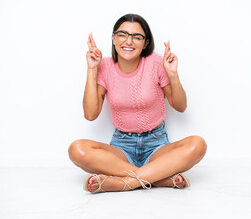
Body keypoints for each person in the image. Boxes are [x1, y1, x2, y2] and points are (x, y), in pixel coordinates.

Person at [68, 13, 207, 193]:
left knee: (198, 145)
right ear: (114, 38)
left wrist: (172, 74)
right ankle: (158, 178)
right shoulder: (105, 66)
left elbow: (180, 106)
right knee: (77, 150)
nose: (129, 41)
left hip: (157, 145)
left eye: (137, 37)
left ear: (146, 43)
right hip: (121, 147)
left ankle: (123, 182)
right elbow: (90, 114)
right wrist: (92, 69)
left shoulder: (157, 62)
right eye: (123, 35)